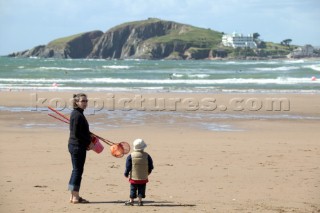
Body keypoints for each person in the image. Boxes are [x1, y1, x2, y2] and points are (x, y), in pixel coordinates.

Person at [68, 93, 93, 204]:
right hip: (77, 146)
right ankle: (75, 197)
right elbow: (76, 133)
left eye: (86, 101)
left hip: (76, 145)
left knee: (76, 171)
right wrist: (89, 142)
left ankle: (72, 195)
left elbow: (80, 131)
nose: (85, 103)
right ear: (76, 102)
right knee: (77, 171)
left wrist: (89, 136)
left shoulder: (77, 114)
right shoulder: (77, 115)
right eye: (83, 101)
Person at [124, 139, 154, 206]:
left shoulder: (131, 156)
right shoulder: (147, 156)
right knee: (142, 189)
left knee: (133, 189)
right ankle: (140, 201)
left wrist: (126, 173)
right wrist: (149, 172)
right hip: (143, 177)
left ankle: (131, 201)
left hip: (134, 177)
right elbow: (151, 166)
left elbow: (128, 166)